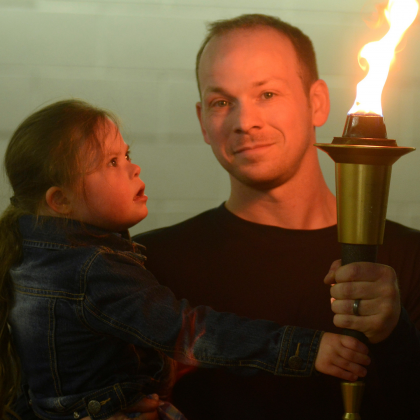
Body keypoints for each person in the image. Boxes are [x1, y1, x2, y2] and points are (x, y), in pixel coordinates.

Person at [0, 100, 371, 420]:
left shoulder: (31, 257)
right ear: (60, 200)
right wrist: (306, 349)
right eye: (111, 162)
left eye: (126, 155)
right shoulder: (91, 269)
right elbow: (188, 331)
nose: (134, 168)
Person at [134, 14, 420, 420]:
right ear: (202, 121)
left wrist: (395, 334)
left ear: (316, 102)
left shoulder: (408, 259)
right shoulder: (149, 264)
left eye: (267, 94)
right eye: (221, 102)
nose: (244, 122)